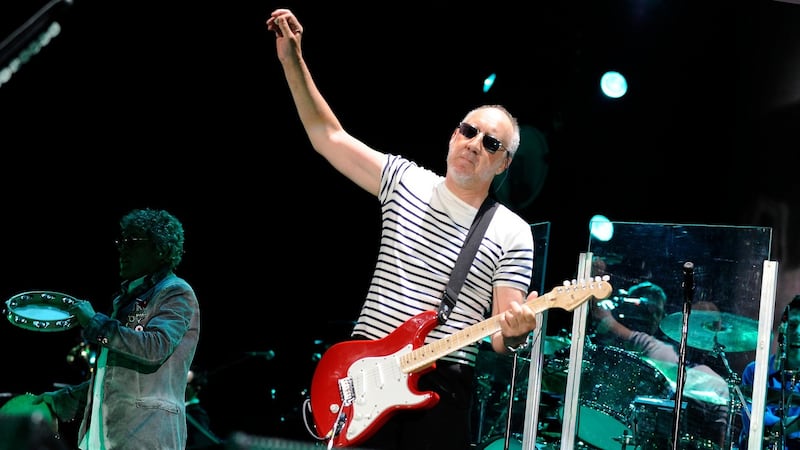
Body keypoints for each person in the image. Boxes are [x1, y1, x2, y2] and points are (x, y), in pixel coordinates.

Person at [266, 9, 539, 450]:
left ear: (504, 163)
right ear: (454, 134)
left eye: (491, 143)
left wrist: (516, 331)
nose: (474, 144)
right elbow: (327, 136)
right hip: (360, 374)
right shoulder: (404, 179)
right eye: (469, 131)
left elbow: (498, 334)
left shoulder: (513, 231)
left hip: (441, 391)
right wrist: (291, 59)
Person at [32, 208, 200, 449]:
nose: (122, 249)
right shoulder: (126, 300)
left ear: (159, 249)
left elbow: (155, 347)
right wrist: (62, 400)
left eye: (132, 242)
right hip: (106, 437)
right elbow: (113, 381)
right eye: (122, 241)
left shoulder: (175, 292)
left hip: (145, 438)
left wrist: (94, 322)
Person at [591, 281, 730, 449]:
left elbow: (609, 323)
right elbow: (718, 442)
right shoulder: (718, 384)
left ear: (681, 326)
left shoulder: (658, 350)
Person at [739, 295, 800, 450]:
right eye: (793, 325)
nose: (798, 332)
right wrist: (795, 424)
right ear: (782, 331)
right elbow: (755, 425)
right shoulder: (756, 372)